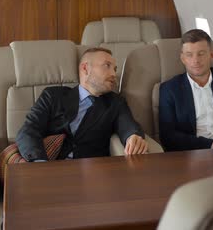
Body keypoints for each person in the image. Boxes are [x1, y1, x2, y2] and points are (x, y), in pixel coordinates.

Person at [17, 47, 148, 161]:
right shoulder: (53, 96)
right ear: (85, 68)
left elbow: (128, 125)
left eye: (115, 69)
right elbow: (29, 130)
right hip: (50, 167)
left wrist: (133, 136)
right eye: (107, 66)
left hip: (93, 174)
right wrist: (39, 164)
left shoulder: (115, 102)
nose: (114, 74)